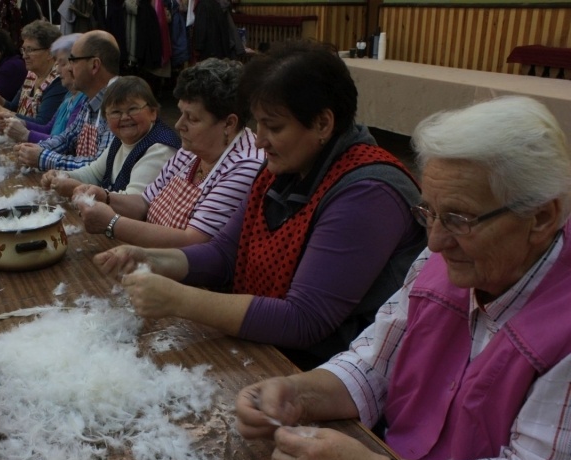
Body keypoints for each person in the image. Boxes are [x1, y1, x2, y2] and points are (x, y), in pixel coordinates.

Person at [235, 96, 571, 460]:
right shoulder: (447, 260)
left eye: (459, 219)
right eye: (429, 212)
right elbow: (373, 363)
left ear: (541, 217)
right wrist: (297, 393)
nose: (434, 242)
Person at [95, 42, 424, 367]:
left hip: (324, 372)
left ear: (323, 123)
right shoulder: (282, 169)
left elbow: (304, 320)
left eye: (274, 126)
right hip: (273, 353)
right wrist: (150, 258)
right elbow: (224, 254)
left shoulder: (368, 193)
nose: (260, 139)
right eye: (258, 123)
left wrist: (179, 300)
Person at [69, 58, 262, 247]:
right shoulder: (190, 152)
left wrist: (112, 223)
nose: (179, 125)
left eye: (192, 118)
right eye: (181, 113)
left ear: (229, 123)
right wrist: (106, 197)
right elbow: (145, 202)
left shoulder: (245, 166)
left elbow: (194, 241)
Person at [39, 76, 179, 198]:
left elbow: (134, 202)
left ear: (153, 112)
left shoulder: (160, 149)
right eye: (116, 112)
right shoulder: (120, 140)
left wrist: (77, 188)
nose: (124, 117)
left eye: (133, 109)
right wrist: (62, 176)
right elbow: (93, 173)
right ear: (106, 118)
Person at [14, 29, 120, 171]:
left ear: (94, 65)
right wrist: (34, 149)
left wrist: (42, 157)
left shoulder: (118, 103)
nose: (69, 68)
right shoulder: (90, 100)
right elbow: (67, 138)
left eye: (73, 61)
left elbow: (99, 167)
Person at [1, 33, 87, 144]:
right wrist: (21, 123)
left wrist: (26, 135)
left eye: (62, 64)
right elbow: (48, 128)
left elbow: (66, 144)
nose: (57, 70)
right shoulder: (69, 96)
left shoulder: (83, 101)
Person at [0, 20, 65, 126]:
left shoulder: (59, 80)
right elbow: (15, 108)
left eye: (30, 50)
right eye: (23, 50)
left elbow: (43, 125)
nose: (24, 55)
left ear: (50, 53)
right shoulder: (32, 75)